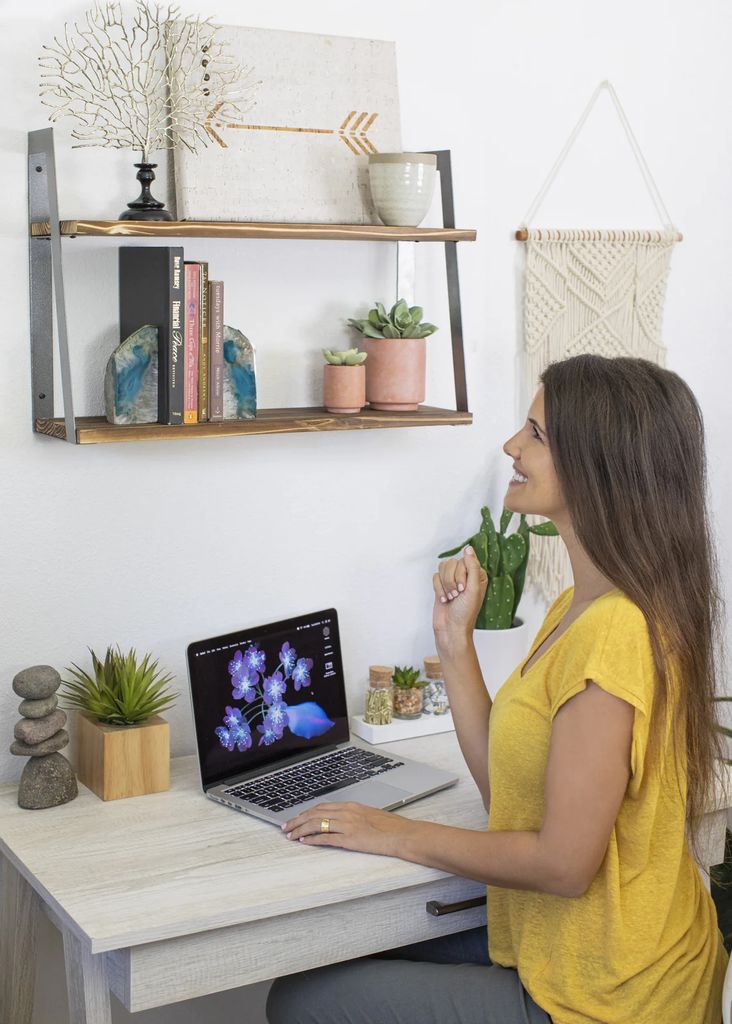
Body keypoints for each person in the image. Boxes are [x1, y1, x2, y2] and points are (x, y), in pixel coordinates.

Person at [266, 354, 729, 1024]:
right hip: (572, 950)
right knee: (320, 961)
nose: (512, 445)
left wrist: (395, 832)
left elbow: (564, 864)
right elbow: (511, 800)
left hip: (611, 998)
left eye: (536, 434)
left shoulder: (615, 633)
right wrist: (456, 644)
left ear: (598, 466)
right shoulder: (581, 606)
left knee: (304, 1003)